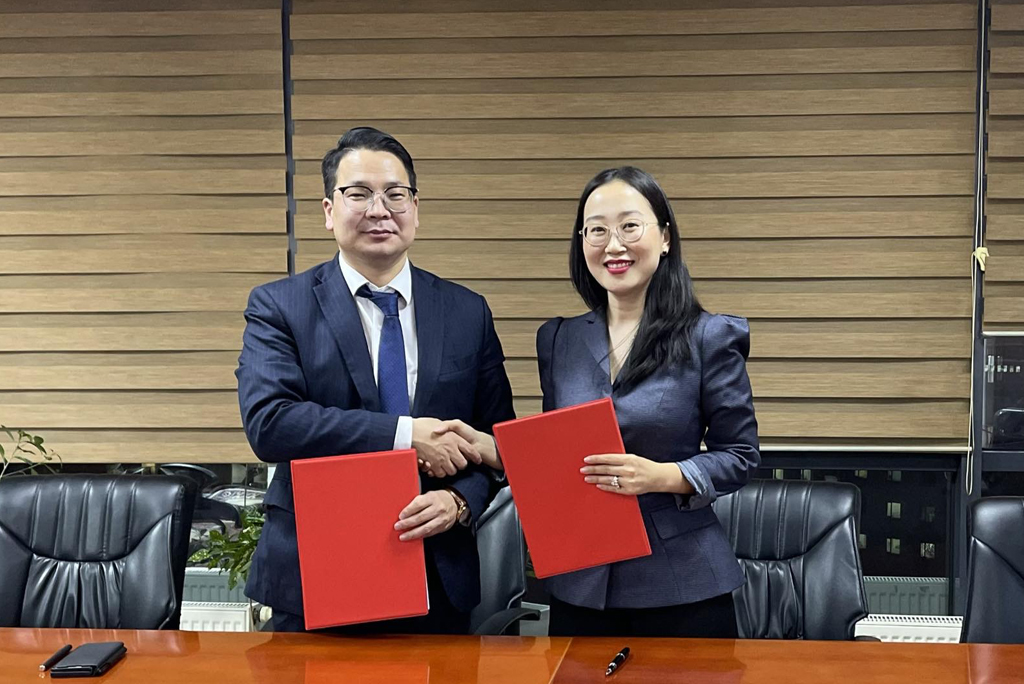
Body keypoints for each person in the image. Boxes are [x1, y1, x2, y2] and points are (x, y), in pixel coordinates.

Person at [235, 127, 515, 634]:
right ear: (327, 210)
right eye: (359, 193)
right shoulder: (280, 306)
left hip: (437, 574)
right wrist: (408, 435)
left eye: (395, 194)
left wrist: (460, 501)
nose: (379, 209)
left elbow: (495, 441)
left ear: (415, 208)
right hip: (315, 572)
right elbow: (270, 424)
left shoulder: (466, 311)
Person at [540, 166, 760, 637]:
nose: (612, 244)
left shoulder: (709, 336)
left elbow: (740, 456)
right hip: (581, 581)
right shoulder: (557, 339)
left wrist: (663, 476)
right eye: (596, 230)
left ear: (663, 237)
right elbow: (556, 451)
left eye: (629, 226)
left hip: (682, 585)